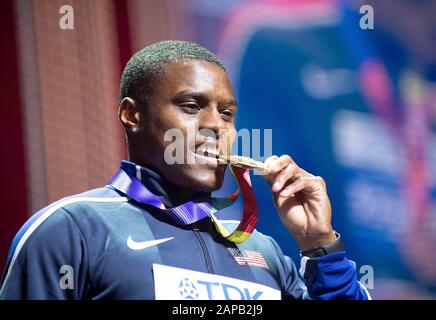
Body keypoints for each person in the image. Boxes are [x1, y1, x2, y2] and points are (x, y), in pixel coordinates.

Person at [0, 40, 370, 300]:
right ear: (132, 114)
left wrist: (320, 246)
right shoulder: (71, 230)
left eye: (227, 113)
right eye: (192, 106)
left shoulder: (267, 254)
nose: (216, 125)